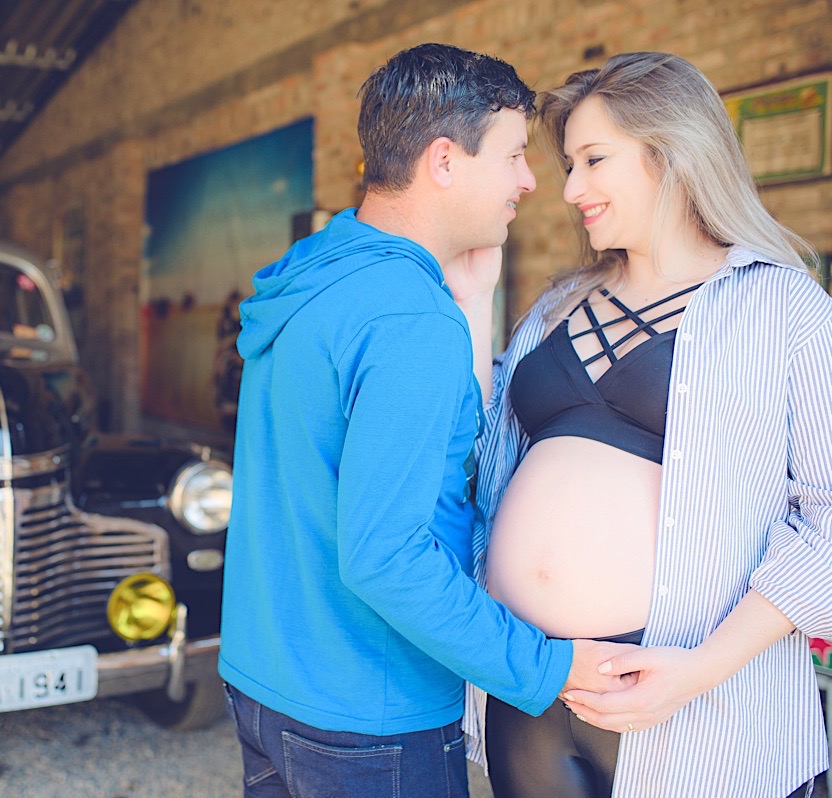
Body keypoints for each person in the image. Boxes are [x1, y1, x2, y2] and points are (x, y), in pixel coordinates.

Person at [218, 43, 635, 798]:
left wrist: (469, 303)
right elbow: (386, 556)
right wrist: (547, 666)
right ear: (445, 161)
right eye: (512, 155)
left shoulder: (320, 274)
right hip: (367, 716)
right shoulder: (408, 318)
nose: (530, 180)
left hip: (266, 684)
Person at [460, 51, 832, 798]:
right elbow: (476, 460)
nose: (570, 190)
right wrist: (472, 302)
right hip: (531, 682)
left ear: (673, 153)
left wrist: (698, 670)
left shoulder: (785, 308)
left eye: (594, 160)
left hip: (700, 698)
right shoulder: (556, 307)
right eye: (568, 164)